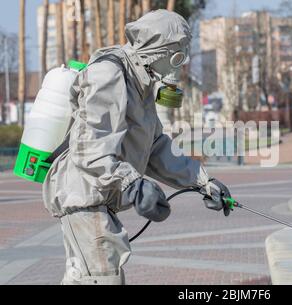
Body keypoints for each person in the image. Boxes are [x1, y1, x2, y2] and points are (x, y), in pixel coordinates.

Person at [42, 9, 232, 285]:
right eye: (180, 53)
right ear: (164, 51)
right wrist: (133, 183)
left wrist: (204, 181)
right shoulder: (110, 74)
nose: (182, 62)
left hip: (96, 201)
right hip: (82, 197)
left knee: (84, 278)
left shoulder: (140, 80)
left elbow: (155, 146)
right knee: (103, 279)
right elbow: (89, 148)